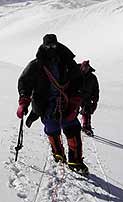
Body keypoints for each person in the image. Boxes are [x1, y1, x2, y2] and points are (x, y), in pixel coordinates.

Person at [16, 34, 88, 173]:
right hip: (46, 106)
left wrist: (76, 98)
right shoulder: (36, 65)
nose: (51, 48)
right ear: (43, 46)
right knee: (52, 130)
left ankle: (75, 162)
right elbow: (25, 83)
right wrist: (23, 101)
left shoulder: (67, 62)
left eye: (53, 46)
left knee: (73, 130)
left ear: (57, 45)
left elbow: (78, 80)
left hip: (67, 103)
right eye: (48, 46)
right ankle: (58, 153)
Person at [79, 60, 100, 136]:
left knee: (87, 111)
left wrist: (95, 101)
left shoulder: (92, 77)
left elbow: (96, 90)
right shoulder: (76, 74)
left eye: (86, 68)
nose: (85, 69)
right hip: (76, 95)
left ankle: (86, 126)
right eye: (84, 67)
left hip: (87, 97)